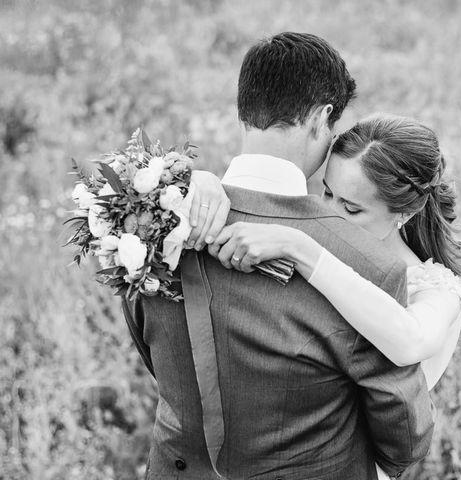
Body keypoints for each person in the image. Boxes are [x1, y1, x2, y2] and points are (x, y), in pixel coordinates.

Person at [123, 32, 435, 480]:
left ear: (245, 108)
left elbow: (154, 352)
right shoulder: (367, 264)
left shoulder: (150, 221)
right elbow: (403, 440)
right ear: (322, 118)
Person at [192, 114, 461, 392]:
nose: (329, 216)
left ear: (405, 213)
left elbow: (411, 342)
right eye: (327, 194)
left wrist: (301, 249)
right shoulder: (306, 237)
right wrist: (202, 185)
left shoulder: (436, 289)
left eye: (351, 208)